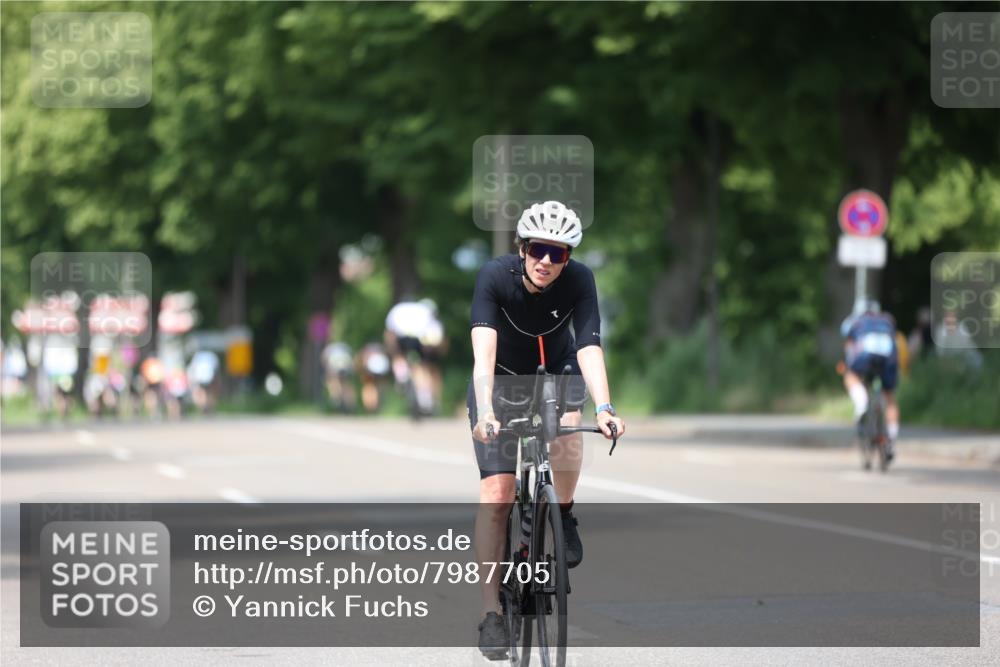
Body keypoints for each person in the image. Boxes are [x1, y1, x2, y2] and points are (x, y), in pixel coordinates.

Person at [468, 200, 625, 658]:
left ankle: (566, 512)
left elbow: (590, 346)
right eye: (539, 249)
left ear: (568, 258)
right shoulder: (494, 277)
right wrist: (485, 411)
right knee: (497, 495)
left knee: (571, 427)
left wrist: (606, 407)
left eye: (558, 254)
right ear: (522, 248)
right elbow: (483, 353)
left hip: (555, 373)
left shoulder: (580, 281)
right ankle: (491, 613)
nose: (546, 262)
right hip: (498, 381)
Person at [840, 299, 900, 463]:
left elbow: (849, 347)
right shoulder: (887, 319)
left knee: (850, 376)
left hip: (865, 353)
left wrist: (848, 365)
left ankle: (862, 403)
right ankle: (891, 441)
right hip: (888, 356)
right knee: (890, 398)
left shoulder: (853, 321)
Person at [384, 297, 439, 416]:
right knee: (421, 367)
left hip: (402, 336)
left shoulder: (396, 309)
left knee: (398, 355)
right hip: (419, 338)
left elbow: (390, 333)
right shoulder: (424, 309)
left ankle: (401, 375)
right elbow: (432, 332)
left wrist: (392, 351)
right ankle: (425, 397)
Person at [356, 342, 392, 413]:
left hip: (375, 367)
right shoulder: (379, 352)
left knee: (369, 385)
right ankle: (372, 406)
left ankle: (371, 406)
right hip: (377, 367)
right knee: (370, 385)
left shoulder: (367, 353)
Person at [321, 341, 356, 411]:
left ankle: (335, 396)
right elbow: (351, 359)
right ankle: (349, 402)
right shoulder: (345, 346)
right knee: (346, 383)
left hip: (334, 366)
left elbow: (324, 361)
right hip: (345, 366)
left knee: (332, 381)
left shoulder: (328, 348)